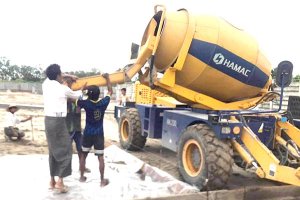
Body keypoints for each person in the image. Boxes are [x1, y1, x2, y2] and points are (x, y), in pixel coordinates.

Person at [42, 64, 84, 193]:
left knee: (53, 150)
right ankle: (60, 181)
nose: (63, 76)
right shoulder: (63, 89)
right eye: (61, 74)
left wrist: (69, 75)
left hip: (48, 121)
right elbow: (78, 95)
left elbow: (50, 74)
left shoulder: (46, 84)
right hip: (58, 121)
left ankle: (52, 180)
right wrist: (83, 87)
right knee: (66, 150)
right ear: (57, 75)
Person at [77, 73, 112, 187]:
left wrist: (82, 90)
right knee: (100, 157)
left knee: (83, 155)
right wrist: (107, 79)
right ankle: (102, 180)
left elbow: (77, 102)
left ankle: (82, 177)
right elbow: (110, 92)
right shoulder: (103, 103)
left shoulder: (86, 103)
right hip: (99, 134)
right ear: (98, 94)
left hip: (88, 133)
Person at [63, 77, 90, 173]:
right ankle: (65, 168)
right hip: (68, 129)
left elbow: (81, 105)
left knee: (81, 149)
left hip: (77, 128)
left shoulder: (78, 100)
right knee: (66, 150)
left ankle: (82, 167)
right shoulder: (64, 99)